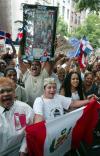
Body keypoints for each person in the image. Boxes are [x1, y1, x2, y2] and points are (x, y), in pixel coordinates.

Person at [0, 77, 34, 156]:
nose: (6, 94)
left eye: (9, 90)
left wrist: (23, 149)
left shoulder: (25, 109)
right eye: (1, 91)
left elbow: (30, 131)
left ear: (14, 93)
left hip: (20, 151)